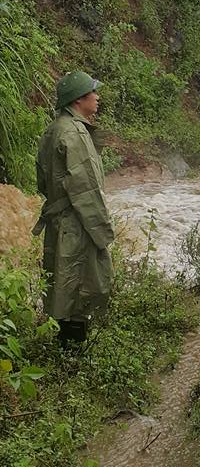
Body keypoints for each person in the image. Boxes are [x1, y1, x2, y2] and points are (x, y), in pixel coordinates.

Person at [33, 70, 115, 346]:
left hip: (61, 220)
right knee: (81, 285)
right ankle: (72, 356)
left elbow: (43, 181)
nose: (98, 97)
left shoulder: (55, 128)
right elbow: (87, 190)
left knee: (62, 284)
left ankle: (65, 350)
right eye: (94, 92)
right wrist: (103, 232)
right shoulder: (75, 133)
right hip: (76, 223)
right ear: (79, 99)